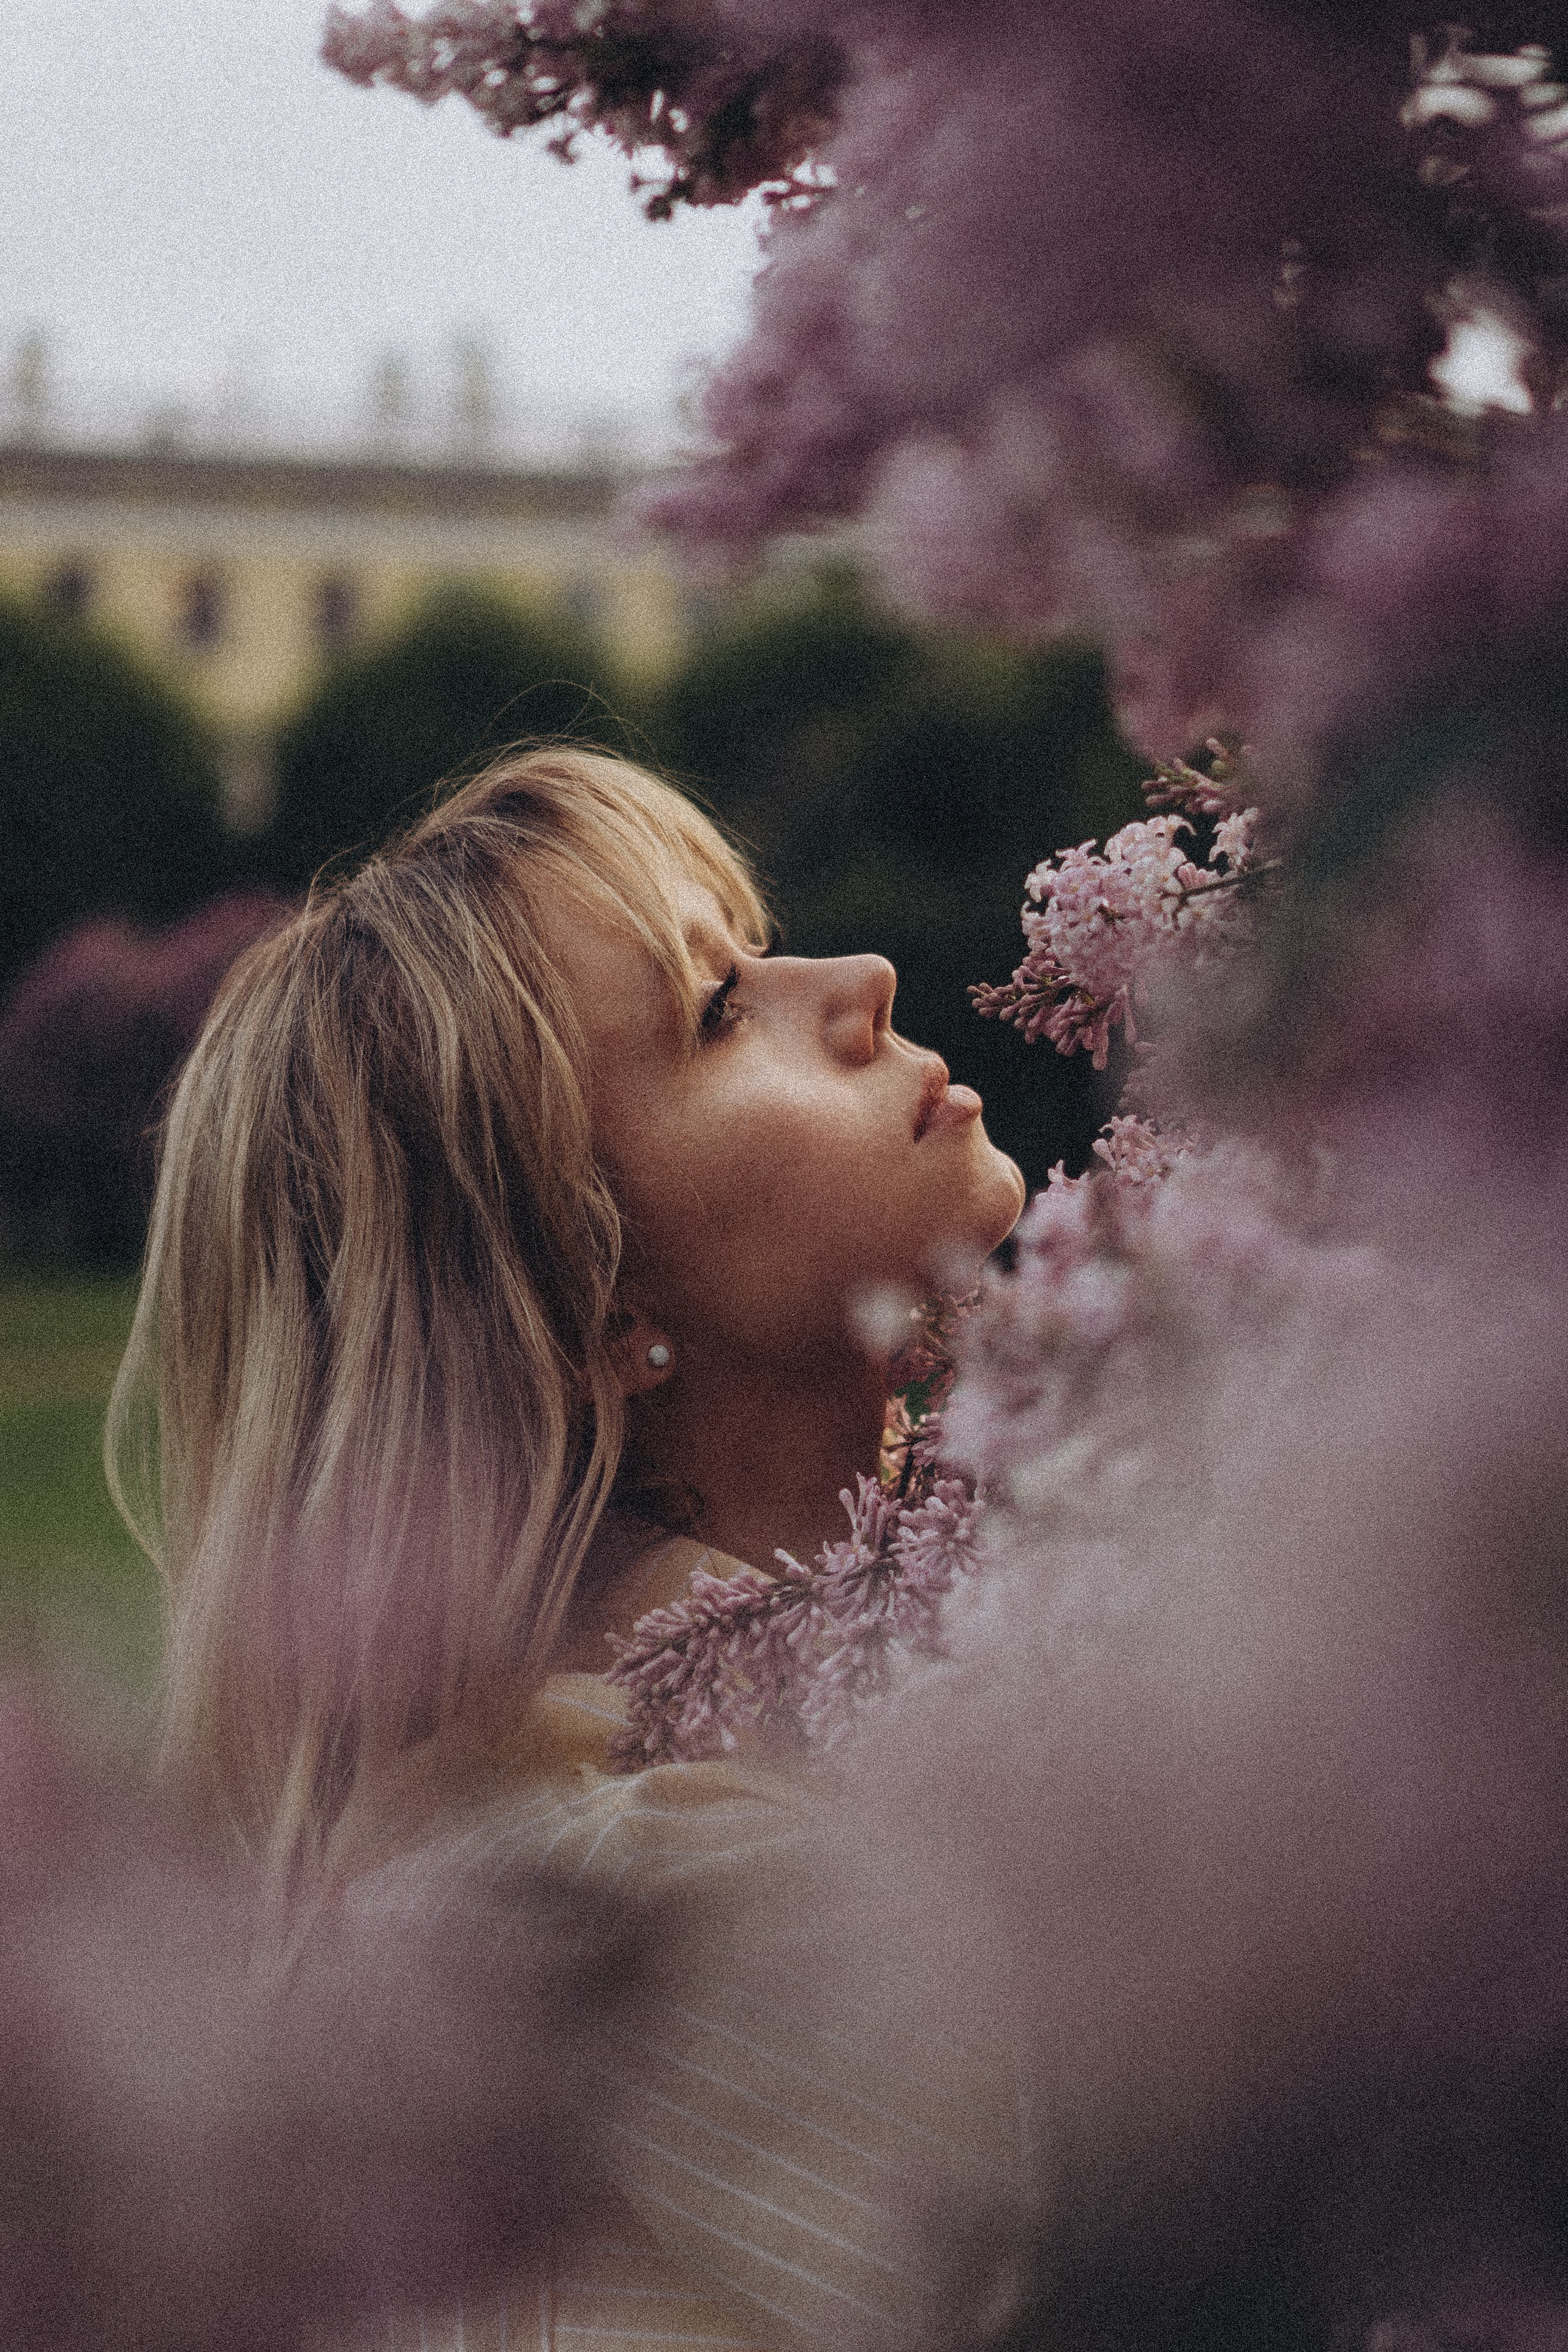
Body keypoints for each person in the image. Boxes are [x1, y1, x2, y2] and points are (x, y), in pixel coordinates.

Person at [106, 745, 1030, 2350]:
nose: (862, 979)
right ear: (601, 1315)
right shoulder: (679, 1920)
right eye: (718, 1013)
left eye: (755, 949)